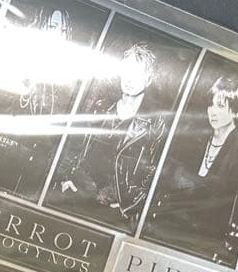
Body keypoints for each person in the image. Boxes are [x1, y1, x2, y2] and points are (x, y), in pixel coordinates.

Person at [0, 5, 76, 199]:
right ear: (43, 26)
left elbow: (59, 135)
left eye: (63, 29)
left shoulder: (68, 78)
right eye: (53, 27)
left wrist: (60, 174)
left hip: (30, 168)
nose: (58, 35)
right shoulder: (16, 58)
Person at [46, 41, 169, 232]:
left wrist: (127, 204)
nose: (129, 79)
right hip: (77, 193)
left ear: (149, 79)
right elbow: (75, 144)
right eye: (127, 71)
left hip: (114, 211)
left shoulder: (155, 123)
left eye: (137, 73)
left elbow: (154, 171)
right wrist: (65, 177)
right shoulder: (101, 107)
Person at [143, 76, 238, 264]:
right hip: (171, 229)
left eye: (220, 106)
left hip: (208, 243)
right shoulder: (194, 139)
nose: (213, 111)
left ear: (236, 112)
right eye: (211, 105)